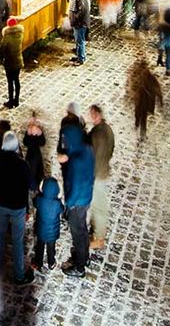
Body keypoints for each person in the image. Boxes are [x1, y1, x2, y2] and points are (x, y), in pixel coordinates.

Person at [0, 131, 33, 284]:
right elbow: (30, 185)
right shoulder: (23, 165)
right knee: (17, 241)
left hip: (1, 204)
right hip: (18, 207)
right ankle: (19, 274)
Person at [58, 115, 95, 278]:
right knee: (82, 231)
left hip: (77, 202)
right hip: (85, 197)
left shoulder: (76, 160)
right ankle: (84, 257)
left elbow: (74, 184)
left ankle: (79, 267)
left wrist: (70, 204)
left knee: (78, 234)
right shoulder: (86, 148)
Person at [87, 105, 114, 249]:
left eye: (92, 114)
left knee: (98, 207)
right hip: (103, 170)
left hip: (97, 174)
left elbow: (90, 155)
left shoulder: (96, 134)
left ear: (96, 115)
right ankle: (95, 230)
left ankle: (98, 238)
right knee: (97, 205)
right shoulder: (108, 130)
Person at [32, 176, 64, 271]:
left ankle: (38, 262)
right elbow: (62, 210)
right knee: (51, 249)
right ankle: (51, 262)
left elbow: (34, 203)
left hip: (41, 230)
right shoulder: (57, 204)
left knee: (39, 247)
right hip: (52, 233)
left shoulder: (39, 200)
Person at [127, 55, 163, 140]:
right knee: (143, 117)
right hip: (144, 101)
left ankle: (138, 125)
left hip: (141, 101)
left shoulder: (141, 76)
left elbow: (132, 86)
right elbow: (157, 88)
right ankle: (141, 132)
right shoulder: (149, 77)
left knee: (140, 114)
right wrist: (160, 99)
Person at [0, 17, 24, 108]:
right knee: (17, 80)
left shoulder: (7, 36)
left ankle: (10, 101)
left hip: (9, 62)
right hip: (18, 60)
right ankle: (16, 100)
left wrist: (1, 59)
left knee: (10, 82)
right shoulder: (20, 34)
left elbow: (2, 48)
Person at [68, 0, 91, 64]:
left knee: (80, 41)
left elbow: (83, 10)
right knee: (78, 40)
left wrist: (75, 19)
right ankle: (79, 56)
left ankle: (81, 59)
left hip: (80, 23)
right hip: (77, 23)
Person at [23, 113, 48, 194]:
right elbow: (26, 142)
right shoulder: (30, 131)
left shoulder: (38, 131)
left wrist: (39, 133)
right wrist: (28, 133)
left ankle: (34, 185)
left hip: (34, 155)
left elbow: (42, 143)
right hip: (32, 154)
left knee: (35, 169)